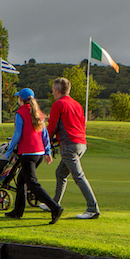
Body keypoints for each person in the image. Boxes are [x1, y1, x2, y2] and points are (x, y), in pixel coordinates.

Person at [3, 88, 63, 223]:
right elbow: (45, 134)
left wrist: (9, 150)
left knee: (32, 184)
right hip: (39, 153)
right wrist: (47, 152)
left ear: (21, 99)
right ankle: (17, 211)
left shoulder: (20, 113)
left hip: (28, 153)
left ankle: (55, 208)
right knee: (21, 180)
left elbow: (17, 134)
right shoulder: (38, 113)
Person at [44, 77, 101, 219]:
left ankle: (92, 208)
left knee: (79, 176)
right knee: (60, 173)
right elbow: (81, 124)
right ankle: (54, 204)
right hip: (81, 144)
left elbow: (52, 126)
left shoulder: (58, 104)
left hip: (69, 145)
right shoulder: (77, 105)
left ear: (57, 91)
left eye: (53, 90)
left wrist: (46, 142)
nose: (52, 93)